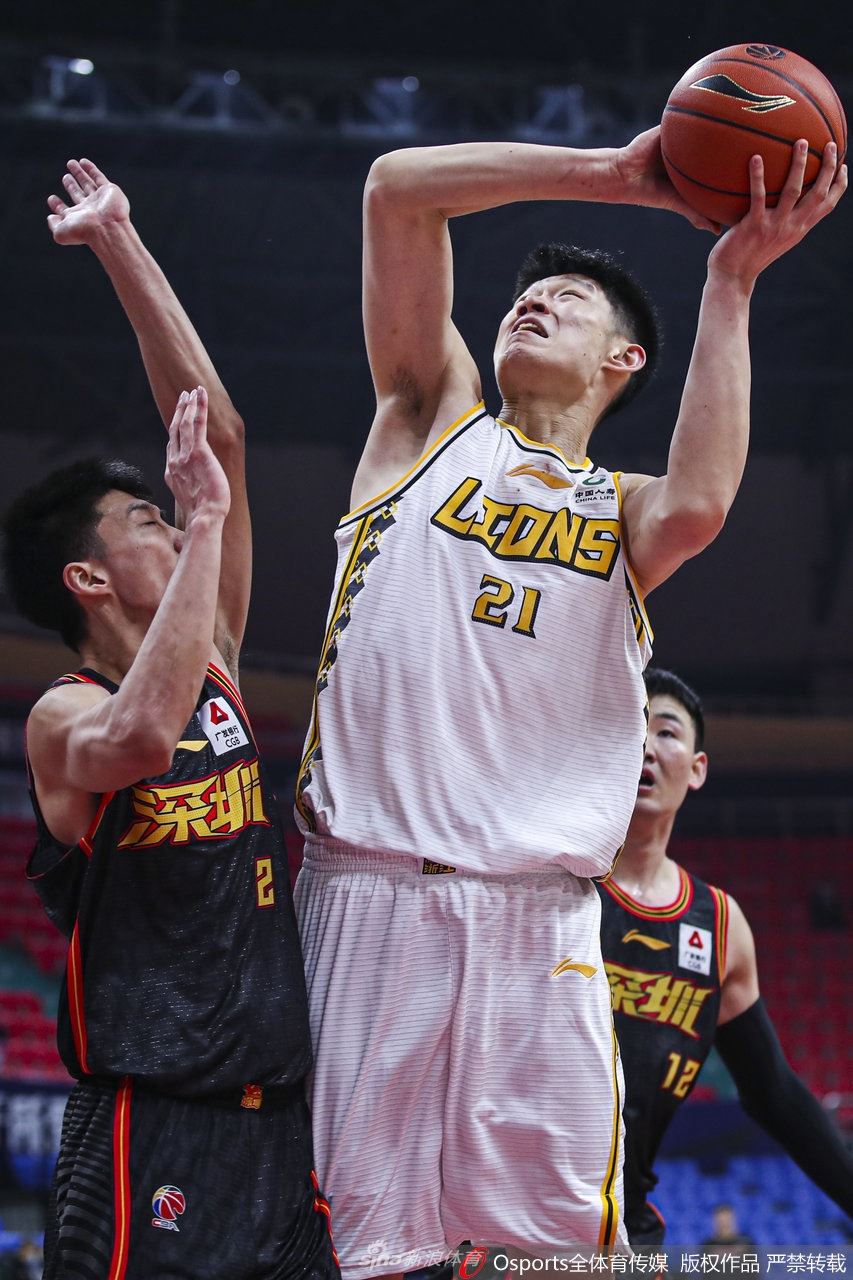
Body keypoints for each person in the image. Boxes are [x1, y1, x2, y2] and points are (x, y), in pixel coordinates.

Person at [292, 125, 846, 1276]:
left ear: (623, 360)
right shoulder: (428, 423)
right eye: (524, 294)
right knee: (350, 1248)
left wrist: (731, 280)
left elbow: (701, 500)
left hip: (536, 920)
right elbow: (396, 190)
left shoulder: (626, 509)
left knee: (558, 1257)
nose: (532, 301)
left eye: (569, 300)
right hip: (370, 890)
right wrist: (613, 176)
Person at [0, 161, 338, 1280]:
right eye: (145, 519)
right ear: (88, 580)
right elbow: (141, 743)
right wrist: (202, 529)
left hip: (280, 1124)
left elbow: (221, 434)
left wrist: (118, 241)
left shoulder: (215, 661)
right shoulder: (65, 716)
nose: (177, 516)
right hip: (150, 1122)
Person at [599, 668, 853, 1251]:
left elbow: (774, 1094)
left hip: (626, 1231)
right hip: (508, 1218)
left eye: (666, 731)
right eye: (633, 724)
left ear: (697, 770)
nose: (646, 745)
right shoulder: (552, 885)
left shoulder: (717, 924)